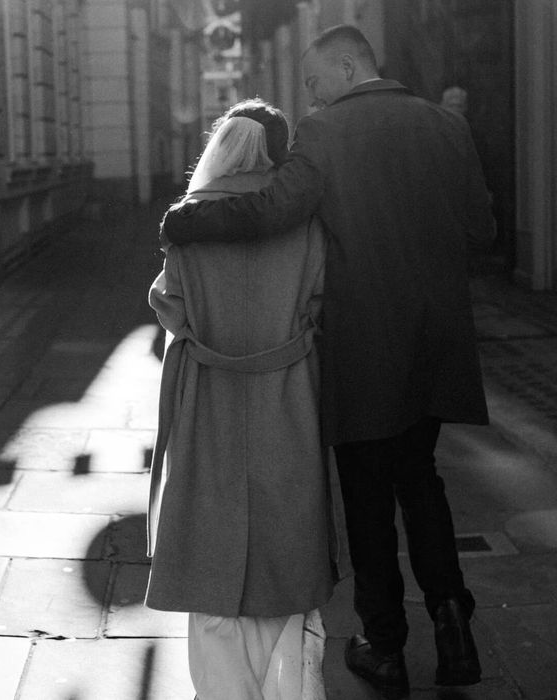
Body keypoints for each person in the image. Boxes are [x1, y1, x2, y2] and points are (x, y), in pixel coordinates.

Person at [160, 25, 495, 700]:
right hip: (436, 343)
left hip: (365, 346)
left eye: (313, 79)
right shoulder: (444, 125)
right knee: (421, 482)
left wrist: (188, 221)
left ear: (348, 68)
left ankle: (387, 649)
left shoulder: (324, 132)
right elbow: (482, 231)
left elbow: (273, 208)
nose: (308, 93)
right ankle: (454, 627)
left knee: (367, 497)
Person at [146, 98, 348, 700]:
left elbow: (168, 306)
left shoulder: (188, 220)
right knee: (286, 550)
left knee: (210, 558)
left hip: (208, 396)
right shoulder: (303, 220)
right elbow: (317, 302)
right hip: (287, 394)